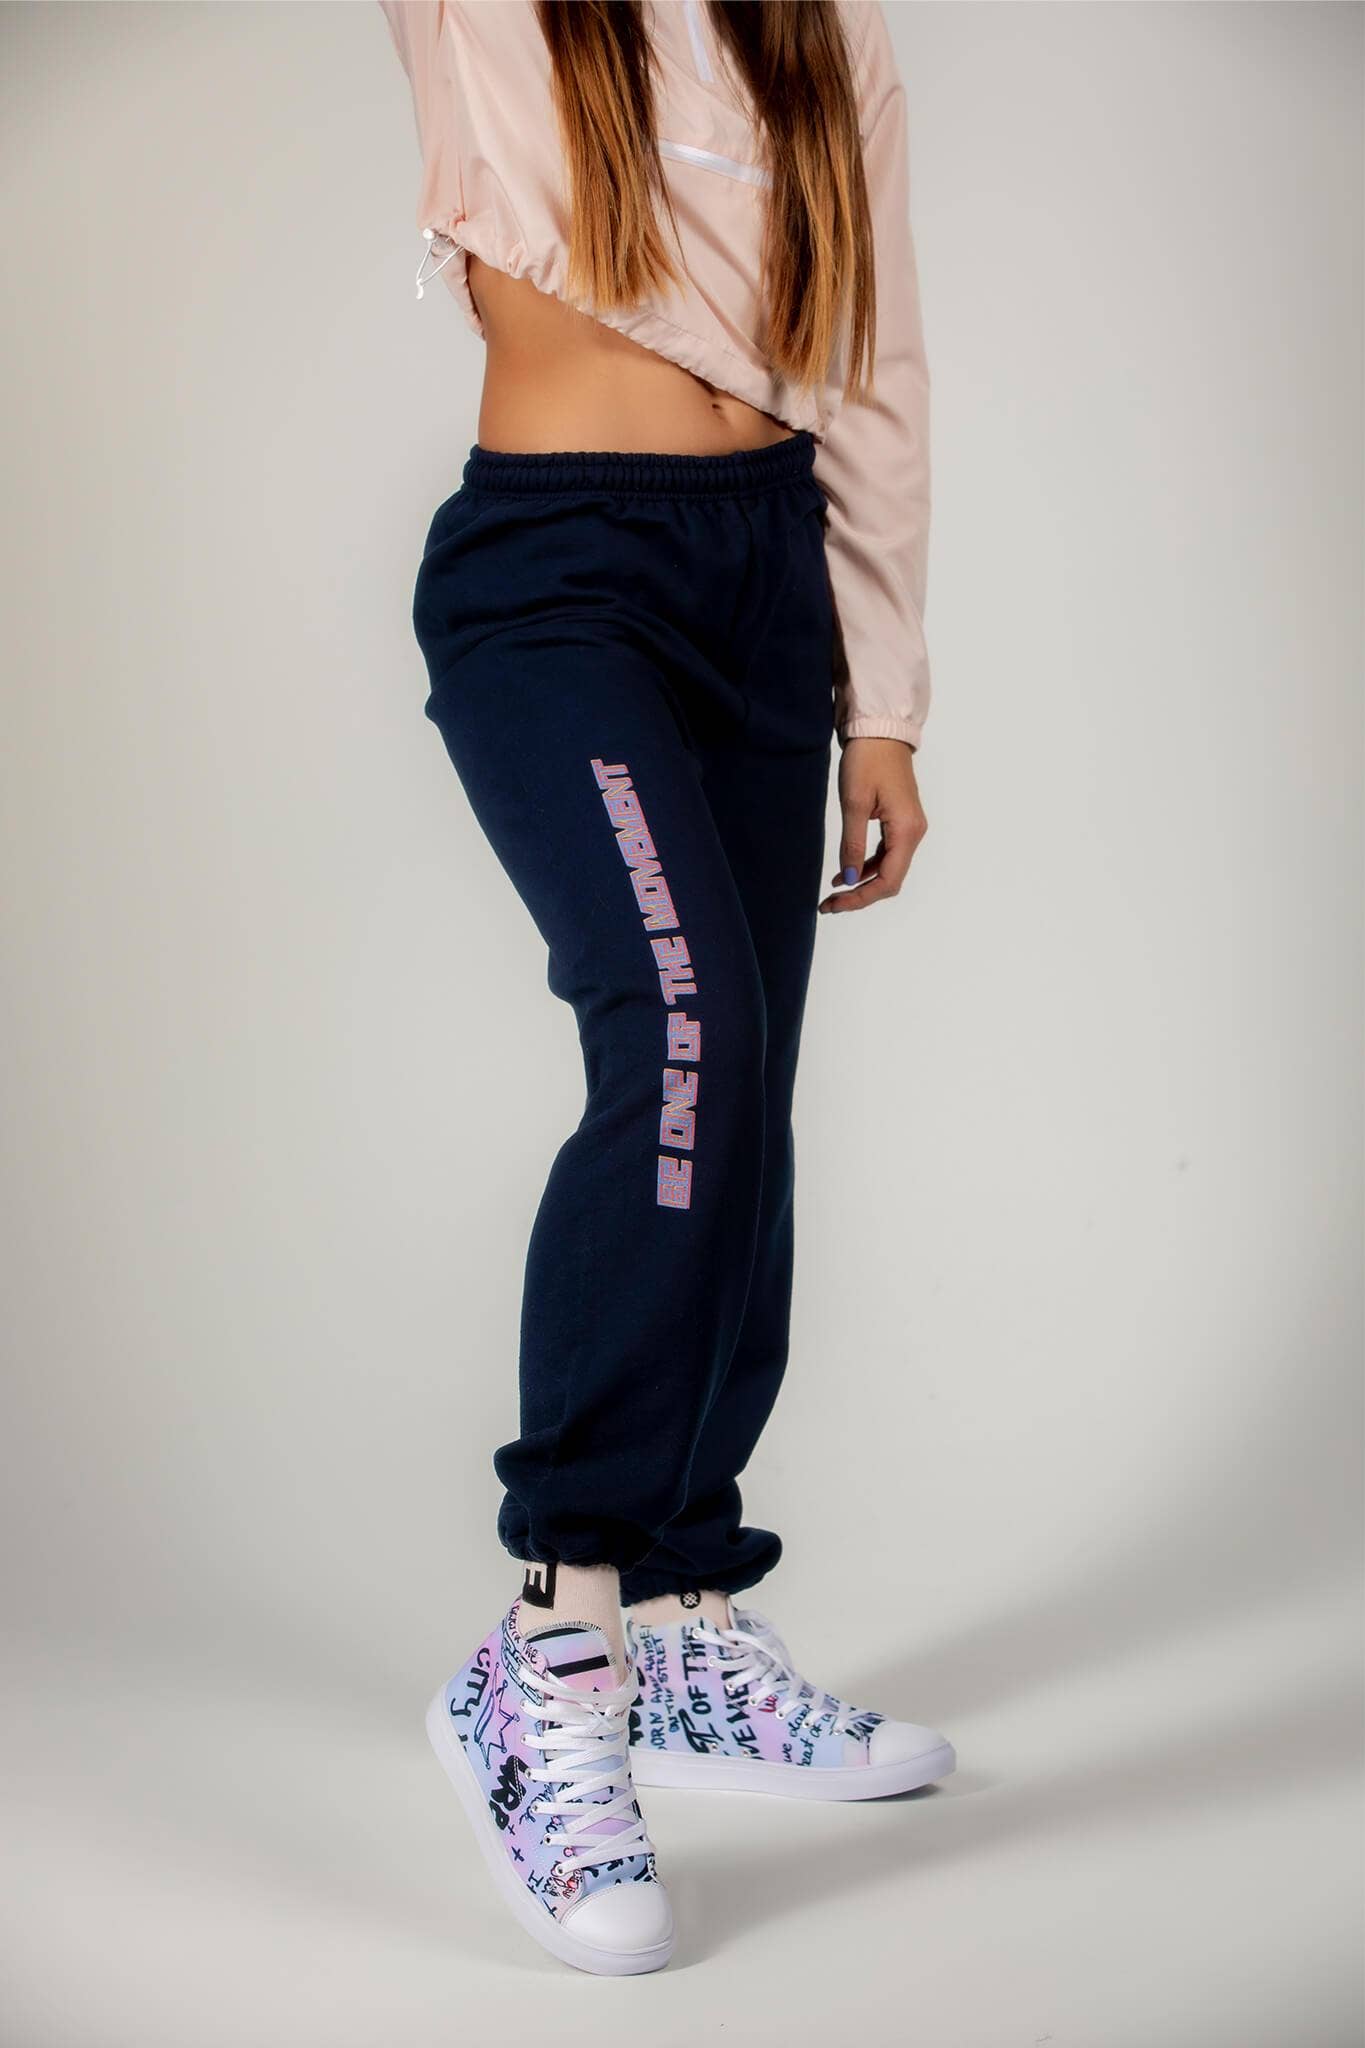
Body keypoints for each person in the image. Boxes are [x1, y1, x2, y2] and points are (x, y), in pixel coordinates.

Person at [379, 0, 953, 1976]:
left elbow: (870, 354)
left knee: (744, 1082)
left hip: (765, 571)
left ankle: (688, 1615)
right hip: (558, 572)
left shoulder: (820, 30)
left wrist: (882, 697)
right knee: (682, 1026)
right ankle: (557, 1633)